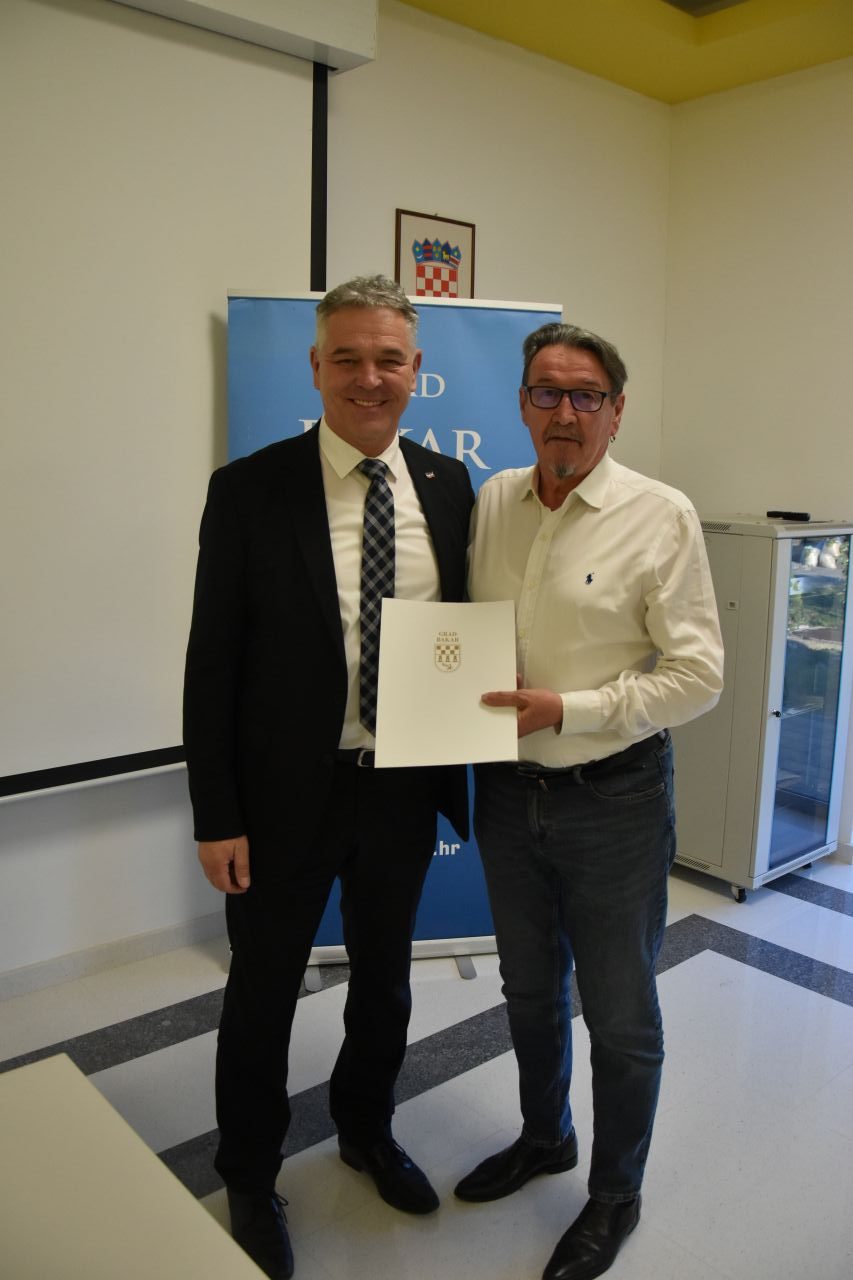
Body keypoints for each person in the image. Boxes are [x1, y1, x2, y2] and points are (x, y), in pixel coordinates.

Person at [183, 275, 474, 1279]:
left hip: (400, 787)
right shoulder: (249, 488)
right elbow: (211, 662)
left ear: (414, 369)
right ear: (315, 366)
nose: (368, 376)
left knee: (385, 981)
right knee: (262, 993)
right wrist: (215, 814)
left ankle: (366, 1128)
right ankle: (249, 1173)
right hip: (277, 800)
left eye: (388, 358)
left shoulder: (448, 485)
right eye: (346, 356)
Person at [458, 322, 723, 1280]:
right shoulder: (495, 499)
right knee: (528, 990)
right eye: (545, 392)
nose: (562, 412)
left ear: (616, 410)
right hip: (505, 793)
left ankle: (615, 1193)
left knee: (618, 1012)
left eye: (584, 395)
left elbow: (697, 677)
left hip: (614, 798)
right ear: (521, 404)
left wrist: (568, 709)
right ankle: (546, 1137)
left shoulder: (661, 514)